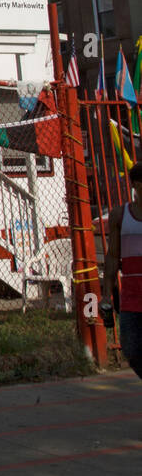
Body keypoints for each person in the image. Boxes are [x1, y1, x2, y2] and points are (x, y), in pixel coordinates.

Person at [104, 162, 142, 378]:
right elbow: (112, 257)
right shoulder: (120, 215)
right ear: (136, 185)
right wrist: (106, 296)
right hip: (131, 296)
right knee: (131, 349)